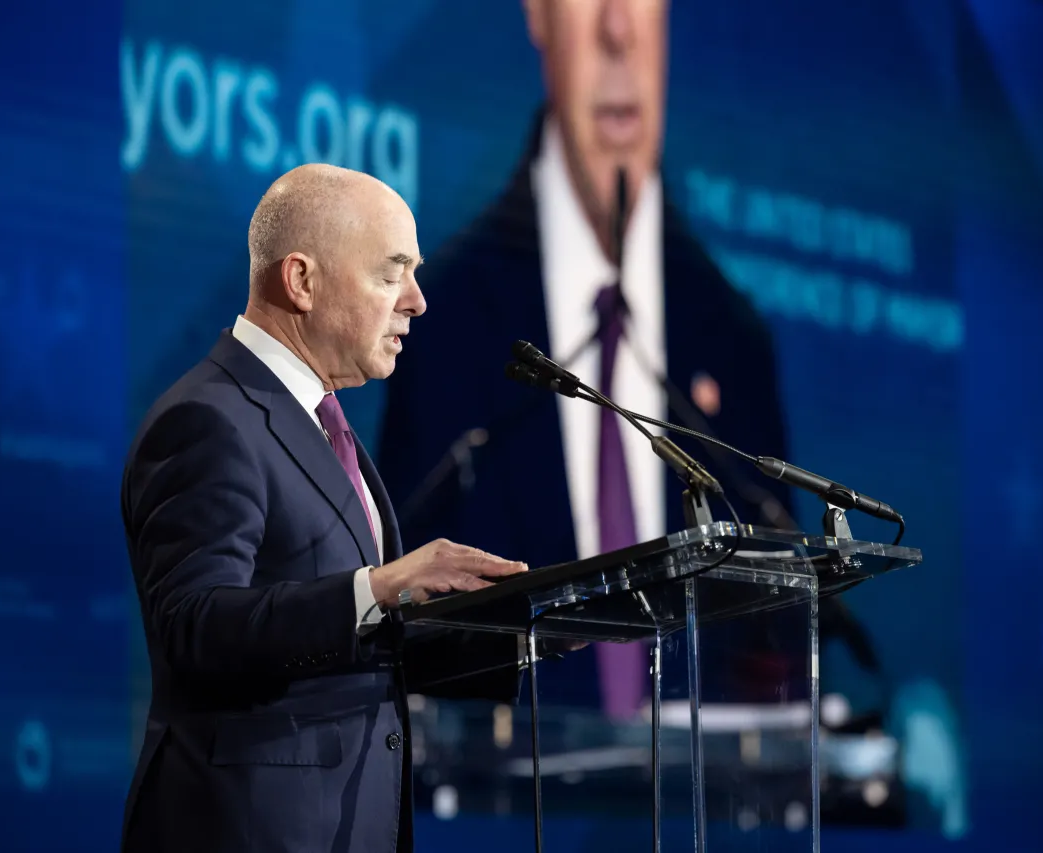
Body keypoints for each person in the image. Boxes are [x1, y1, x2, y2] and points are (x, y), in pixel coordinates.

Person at [379, 0, 794, 715]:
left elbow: (772, 653)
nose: (617, 29)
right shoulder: (441, 320)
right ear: (536, 15)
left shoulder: (734, 338)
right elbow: (408, 640)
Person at [120, 164, 537, 853]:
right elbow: (195, 626)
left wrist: (528, 626)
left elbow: (352, 647)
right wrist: (378, 585)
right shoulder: (208, 419)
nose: (418, 301)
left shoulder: (323, 423)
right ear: (301, 281)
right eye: (391, 273)